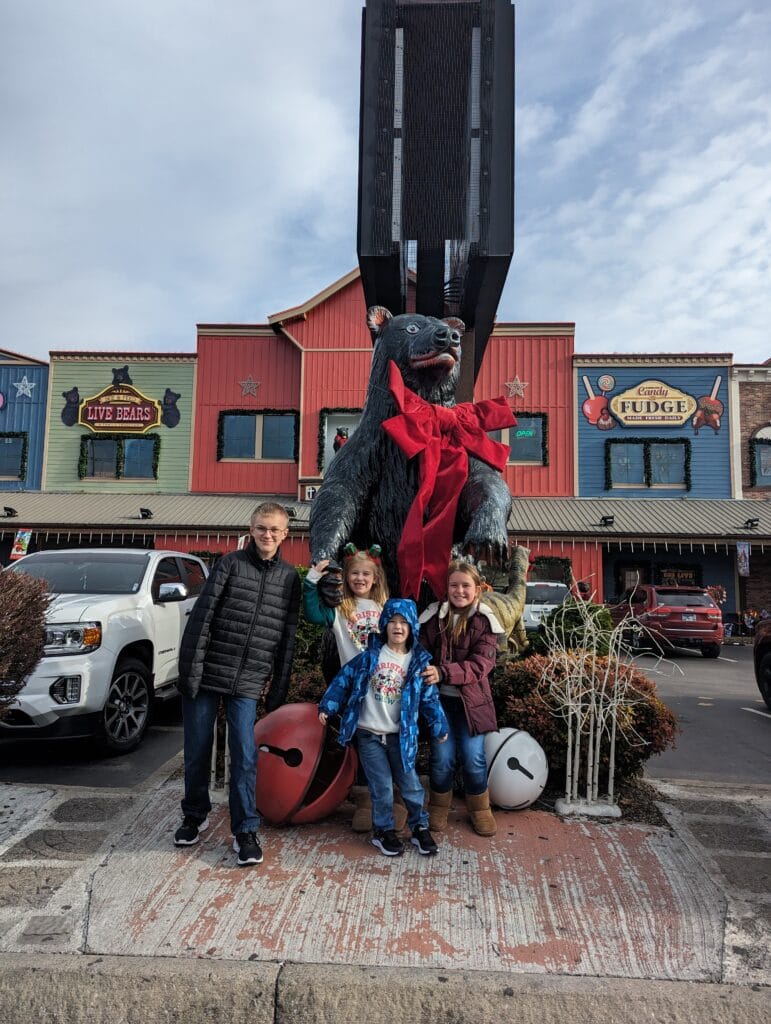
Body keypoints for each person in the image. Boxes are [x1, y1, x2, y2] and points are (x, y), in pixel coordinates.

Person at [174, 502, 301, 867]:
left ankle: (245, 830)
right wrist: (190, 673)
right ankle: (193, 817)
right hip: (208, 670)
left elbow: (287, 637)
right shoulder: (230, 564)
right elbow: (202, 618)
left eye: (275, 530)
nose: (268, 535)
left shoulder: (290, 578)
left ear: (285, 534)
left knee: (245, 756)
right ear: (251, 528)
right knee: (197, 749)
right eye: (262, 528)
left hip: (247, 680)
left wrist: (278, 686)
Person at [318, 598, 448, 857]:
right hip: (369, 735)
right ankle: (384, 831)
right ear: (384, 625)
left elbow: (429, 700)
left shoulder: (418, 664)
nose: (398, 627)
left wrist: (438, 725)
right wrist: (328, 705)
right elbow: (343, 680)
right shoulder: (368, 658)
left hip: (401, 737)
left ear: (412, 628)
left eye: (404, 623)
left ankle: (419, 827)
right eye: (392, 621)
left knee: (410, 784)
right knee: (382, 787)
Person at [304, 544, 407, 833]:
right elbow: (312, 613)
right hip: (356, 690)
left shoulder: (386, 608)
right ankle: (366, 800)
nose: (360, 578)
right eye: (354, 574)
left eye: (366, 574)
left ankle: (394, 796)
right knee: (364, 743)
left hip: (387, 687)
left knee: (391, 740)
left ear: (375, 578)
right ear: (347, 577)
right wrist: (312, 578)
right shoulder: (340, 609)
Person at [419, 559, 505, 837]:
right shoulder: (434, 617)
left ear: (477, 589)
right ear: (446, 588)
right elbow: (421, 651)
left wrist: (443, 672)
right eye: (454, 585)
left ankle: (480, 808)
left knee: (473, 757)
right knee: (442, 757)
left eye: (466, 585)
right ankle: (439, 806)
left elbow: (481, 665)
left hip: (472, 704)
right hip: (439, 703)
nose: (459, 591)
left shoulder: (485, 621)